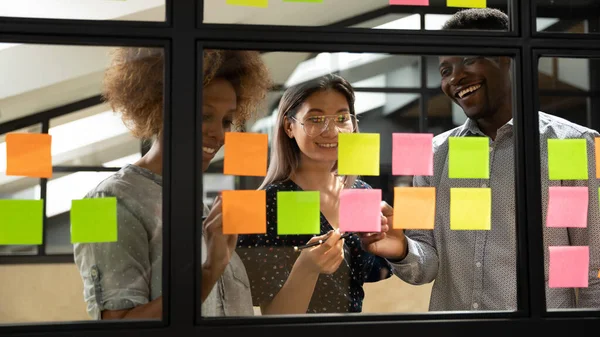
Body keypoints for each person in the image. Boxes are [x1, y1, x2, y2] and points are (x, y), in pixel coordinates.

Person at [359, 8, 600, 311]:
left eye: (469, 60)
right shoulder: (430, 155)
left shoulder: (573, 144)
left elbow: (594, 267)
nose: (456, 77)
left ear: (508, 58)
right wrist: (401, 250)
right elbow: (426, 266)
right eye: (445, 70)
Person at [74, 47, 271, 319]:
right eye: (204, 115)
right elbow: (117, 328)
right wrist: (208, 271)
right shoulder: (102, 203)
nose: (219, 134)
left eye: (227, 121)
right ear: (159, 109)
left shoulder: (193, 204)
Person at [237, 74, 391, 314]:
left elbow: (370, 274)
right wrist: (307, 269)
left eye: (342, 118)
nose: (331, 131)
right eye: (315, 119)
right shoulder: (272, 201)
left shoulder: (360, 193)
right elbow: (273, 318)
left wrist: (386, 243)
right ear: (289, 127)